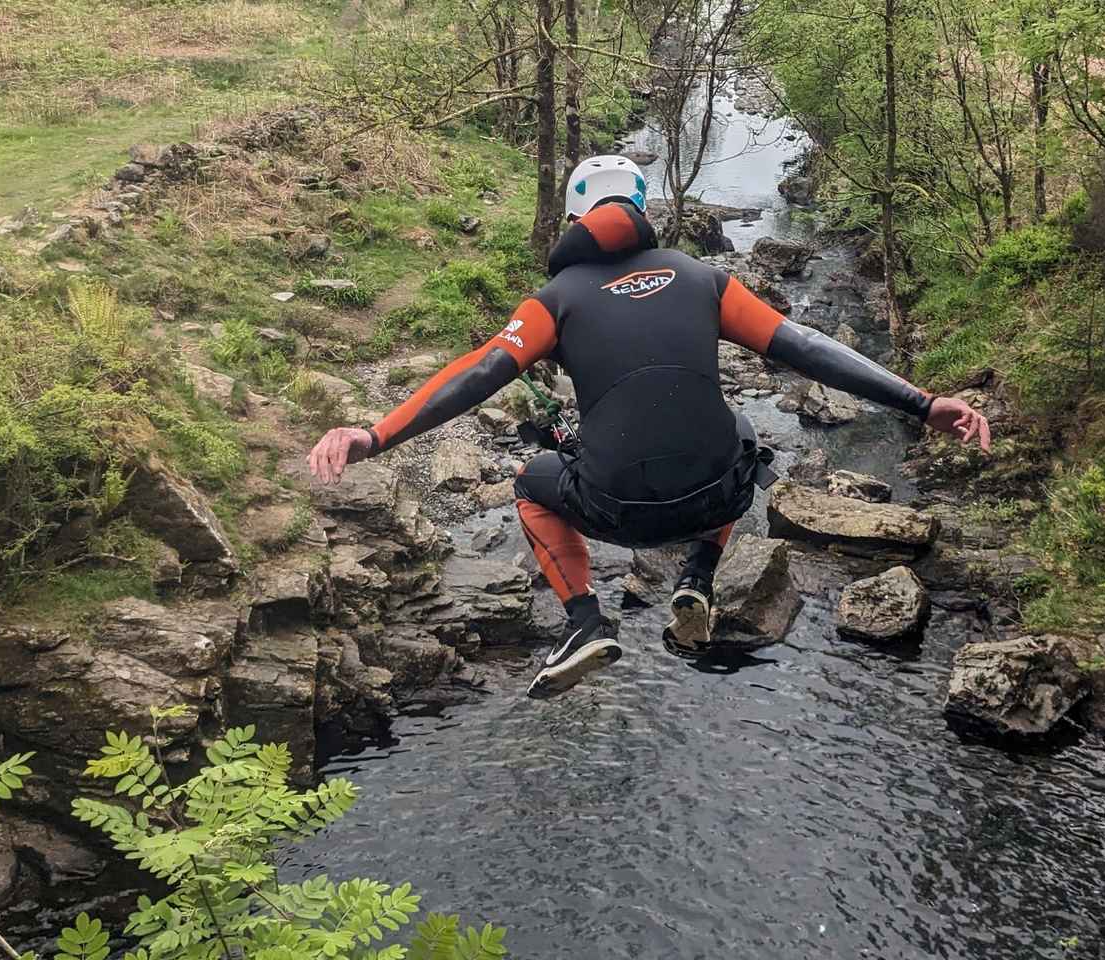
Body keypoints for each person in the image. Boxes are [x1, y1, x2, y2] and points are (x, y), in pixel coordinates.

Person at [309, 155, 991, 699]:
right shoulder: (703, 278)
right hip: (716, 497)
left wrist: (374, 435)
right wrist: (921, 403)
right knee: (743, 434)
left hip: (615, 509)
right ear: (642, 209)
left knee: (527, 481)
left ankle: (586, 623)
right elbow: (807, 347)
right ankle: (698, 575)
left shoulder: (554, 301)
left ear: (573, 219)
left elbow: (478, 374)